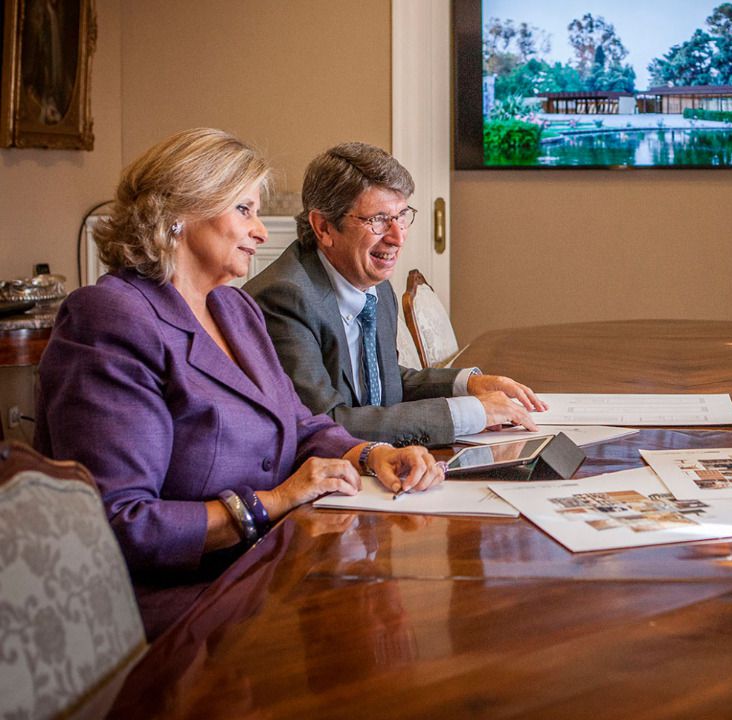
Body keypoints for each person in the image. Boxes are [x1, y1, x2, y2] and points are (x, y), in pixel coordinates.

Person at [34, 128, 443, 639]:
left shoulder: (234, 307)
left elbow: (299, 421)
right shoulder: (110, 318)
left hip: (261, 577)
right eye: (244, 211)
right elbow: (120, 522)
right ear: (180, 213)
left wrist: (370, 454)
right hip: (170, 614)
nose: (259, 232)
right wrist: (275, 501)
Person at [244, 142, 545, 446]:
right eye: (377, 220)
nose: (398, 237)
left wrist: (469, 385)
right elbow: (324, 424)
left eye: (401, 215)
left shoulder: (374, 285)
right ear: (323, 227)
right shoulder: (285, 298)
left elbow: (382, 384)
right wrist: (466, 414)